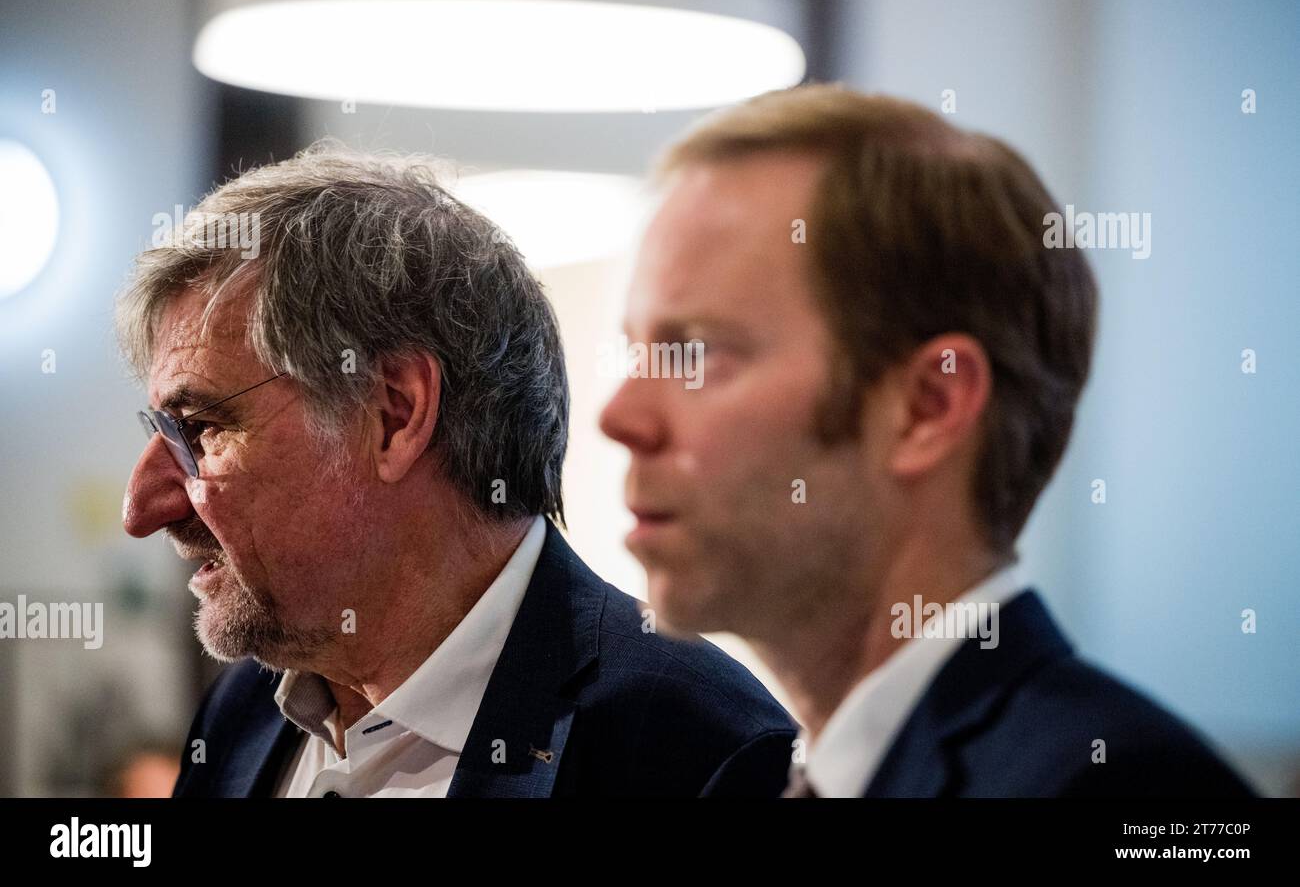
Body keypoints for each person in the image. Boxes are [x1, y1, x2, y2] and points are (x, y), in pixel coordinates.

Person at [598, 84, 1254, 797]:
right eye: (637, 352)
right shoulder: (745, 784)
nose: (620, 417)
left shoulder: (1123, 790)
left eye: (695, 353)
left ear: (927, 408)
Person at [117, 144, 795, 797]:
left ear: (394, 414)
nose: (143, 508)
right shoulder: (241, 715)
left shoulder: (701, 759)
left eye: (202, 428)